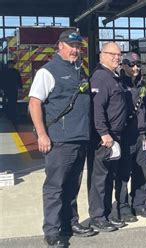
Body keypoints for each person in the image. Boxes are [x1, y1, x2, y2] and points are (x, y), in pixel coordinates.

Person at [28, 29, 96, 247]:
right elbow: (34, 103)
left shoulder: (79, 69)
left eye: (78, 47)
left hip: (79, 138)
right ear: (60, 46)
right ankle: (52, 230)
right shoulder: (48, 71)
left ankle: (70, 223)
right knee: (55, 187)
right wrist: (42, 134)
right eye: (71, 46)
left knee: (71, 186)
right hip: (60, 140)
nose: (75, 50)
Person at [88, 42, 128, 232]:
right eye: (111, 54)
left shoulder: (114, 77)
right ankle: (97, 217)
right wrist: (104, 133)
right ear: (101, 55)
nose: (116, 57)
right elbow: (97, 109)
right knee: (100, 179)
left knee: (109, 177)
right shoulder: (101, 78)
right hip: (105, 138)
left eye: (119, 54)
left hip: (115, 136)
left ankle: (106, 214)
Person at [114, 52, 146, 223]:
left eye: (138, 64)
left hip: (141, 135)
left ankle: (139, 204)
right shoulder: (119, 85)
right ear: (123, 65)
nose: (135, 68)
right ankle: (123, 208)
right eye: (131, 65)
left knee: (141, 171)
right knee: (123, 174)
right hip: (125, 136)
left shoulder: (142, 84)